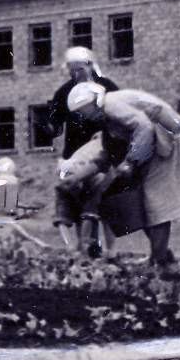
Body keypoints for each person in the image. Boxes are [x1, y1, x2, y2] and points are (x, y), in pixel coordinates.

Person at [67, 82, 180, 268]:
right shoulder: (107, 119)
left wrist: (130, 162)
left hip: (170, 138)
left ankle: (159, 261)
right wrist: (77, 176)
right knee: (146, 202)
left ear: (92, 101)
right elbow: (107, 155)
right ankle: (161, 256)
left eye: (82, 110)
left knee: (156, 202)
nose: (82, 116)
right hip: (158, 142)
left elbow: (144, 127)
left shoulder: (110, 104)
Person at [48, 47, 120, 255]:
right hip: (75, 152)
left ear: (90, 65)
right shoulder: (64, 91)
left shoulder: (107, 87)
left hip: (103, 152)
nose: (74, 74)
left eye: (78, 69)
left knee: (104, 201)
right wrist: (50, 126)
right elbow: (55, 122)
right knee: (79, 201)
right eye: (71, 70)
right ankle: (82, 248)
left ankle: (110, 250)